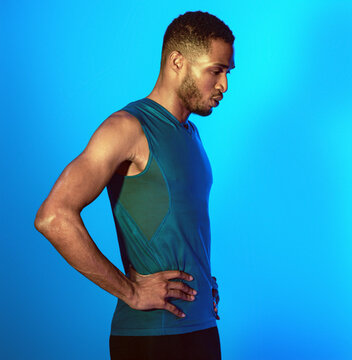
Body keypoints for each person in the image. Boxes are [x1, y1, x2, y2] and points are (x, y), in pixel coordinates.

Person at [34, 10, 235, 360]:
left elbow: (181, 227)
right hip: (152, 338)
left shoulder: (192, 133)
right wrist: (130, 290)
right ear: (178, 62)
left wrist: (204, 281)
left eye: (227, 73)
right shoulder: (127, 128)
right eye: (215, 71)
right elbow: (53, 216)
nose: (224, 86)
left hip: (202, 328)